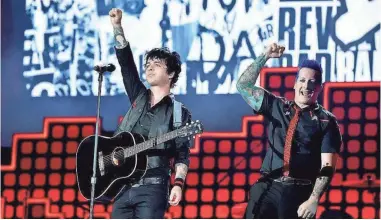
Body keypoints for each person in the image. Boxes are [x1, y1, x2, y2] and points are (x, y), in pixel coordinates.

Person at [236, 43, 342, 219]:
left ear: (319, 88)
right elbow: (243, 85)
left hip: (299, 193)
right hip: (267, 187)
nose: (306, 86)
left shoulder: (326, 121)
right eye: (302, 80)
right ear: (295, 84)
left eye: (312, 82)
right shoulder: (276, 105)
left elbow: (327, 167)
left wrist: (314, 199)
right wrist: (265, 56)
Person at [109, 8, 191, 219]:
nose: (149, 69)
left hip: (153, 188)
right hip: (122, 186)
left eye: (156, 65)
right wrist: (117, 26)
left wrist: (179, 184)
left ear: (171, 74)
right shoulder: (138, 97)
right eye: (147, 65)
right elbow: (126, 64)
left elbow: (182, 153)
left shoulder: (179, 112)